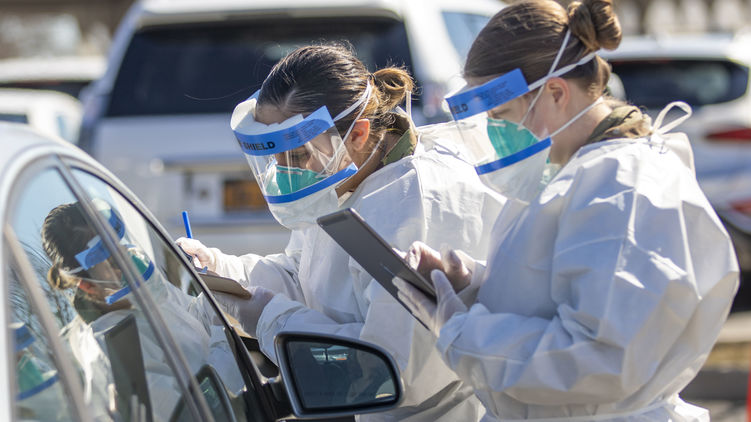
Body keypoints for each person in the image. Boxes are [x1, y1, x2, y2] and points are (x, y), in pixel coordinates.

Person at [393, 1, 740, 421]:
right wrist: (473, 284)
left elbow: (598, 358)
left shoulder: (621, 187)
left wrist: (462, 332)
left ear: (556, 93)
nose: (493, 132)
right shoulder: (575, 173)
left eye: (500, 114)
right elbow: (559, 290)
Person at [176, 44, 506, 421]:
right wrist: (223, 272)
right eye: (274, 157)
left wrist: (269, 317)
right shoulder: (344, 178)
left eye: (297, 154)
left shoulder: (414, 200)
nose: (284, 171)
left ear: (358, 134)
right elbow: (308, 276)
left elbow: (393, 369)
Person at [41, 200, 238, 421]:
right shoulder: (114, 347)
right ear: (87, 285)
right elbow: (185, 414)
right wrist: (223, 343)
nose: (124, 258)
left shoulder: (145, 292)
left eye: (118, 243)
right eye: (108, 256)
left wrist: (216, 291)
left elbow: (191, 317)